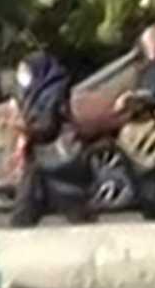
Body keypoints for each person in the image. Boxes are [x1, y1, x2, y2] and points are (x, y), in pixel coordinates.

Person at [9, 51, 96, 228]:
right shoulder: (35, 93)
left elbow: (46, 125)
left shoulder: (53, 92)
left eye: (26, 71)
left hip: (57, 162)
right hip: (40, 164)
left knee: (76, 213)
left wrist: (22, 127)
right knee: (23, 214)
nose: (23, 76)